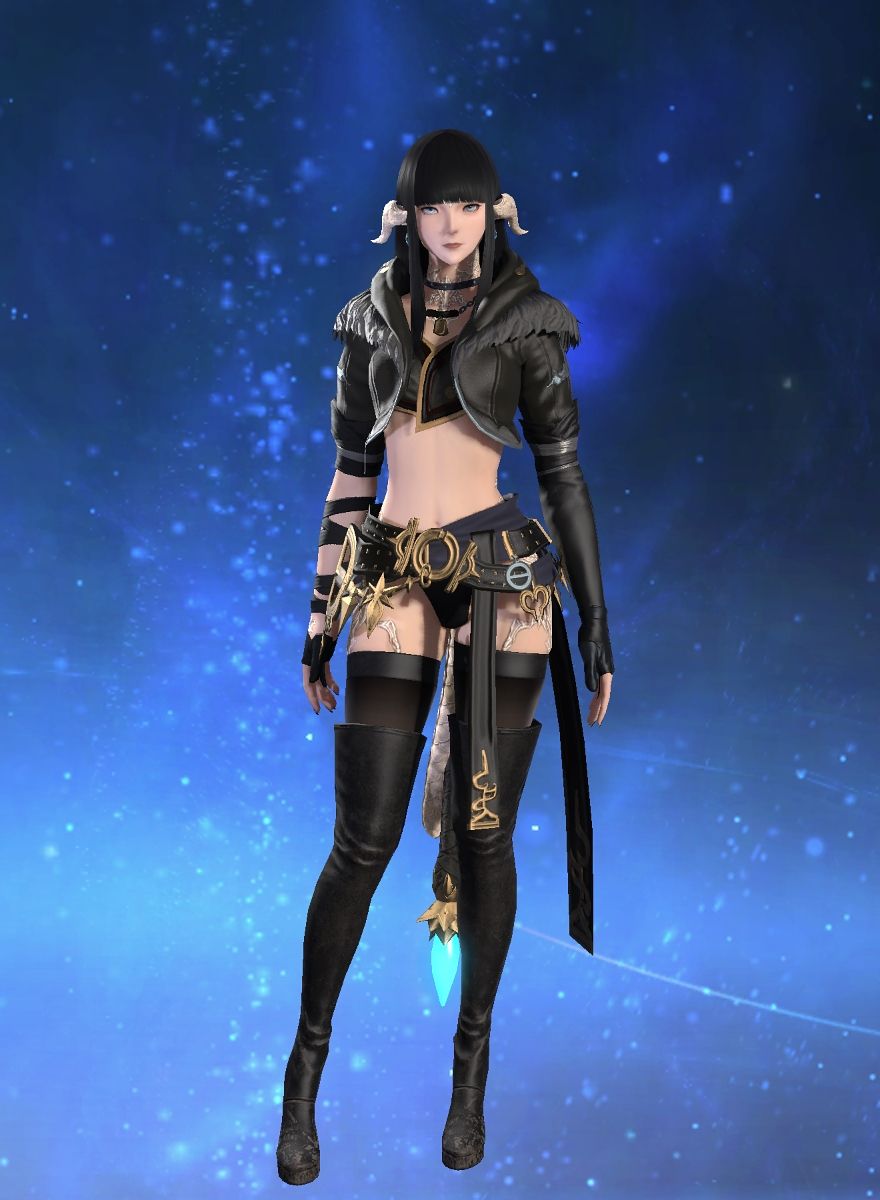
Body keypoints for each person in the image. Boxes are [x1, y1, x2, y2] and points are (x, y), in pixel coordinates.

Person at [276, 128, 614, 1185]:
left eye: (468, 206)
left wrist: (597, 619)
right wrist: (319, 619)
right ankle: (302, 1074)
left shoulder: (528, 320)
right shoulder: (370, 319)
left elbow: (563, 474)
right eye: (435, 207)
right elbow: (348, 478)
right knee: (362, 841)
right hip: (388, 573)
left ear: (494, 212)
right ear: (408, 216)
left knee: (484, 838)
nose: (452, 224)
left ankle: (470, 1076)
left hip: (505, 579)